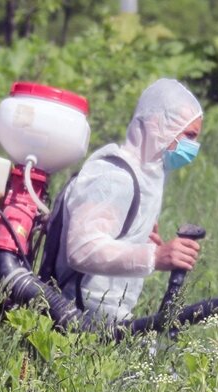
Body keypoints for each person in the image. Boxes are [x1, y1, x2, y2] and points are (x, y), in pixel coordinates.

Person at [48, 78, 204, 320]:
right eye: (189, 136)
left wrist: (143, 243)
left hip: (106, 319)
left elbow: (111, 239)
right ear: (157, 125)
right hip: (75, 320)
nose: (194, 147)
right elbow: (82, 249)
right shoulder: (115, 177)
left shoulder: (145, 177)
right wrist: (155, 257)